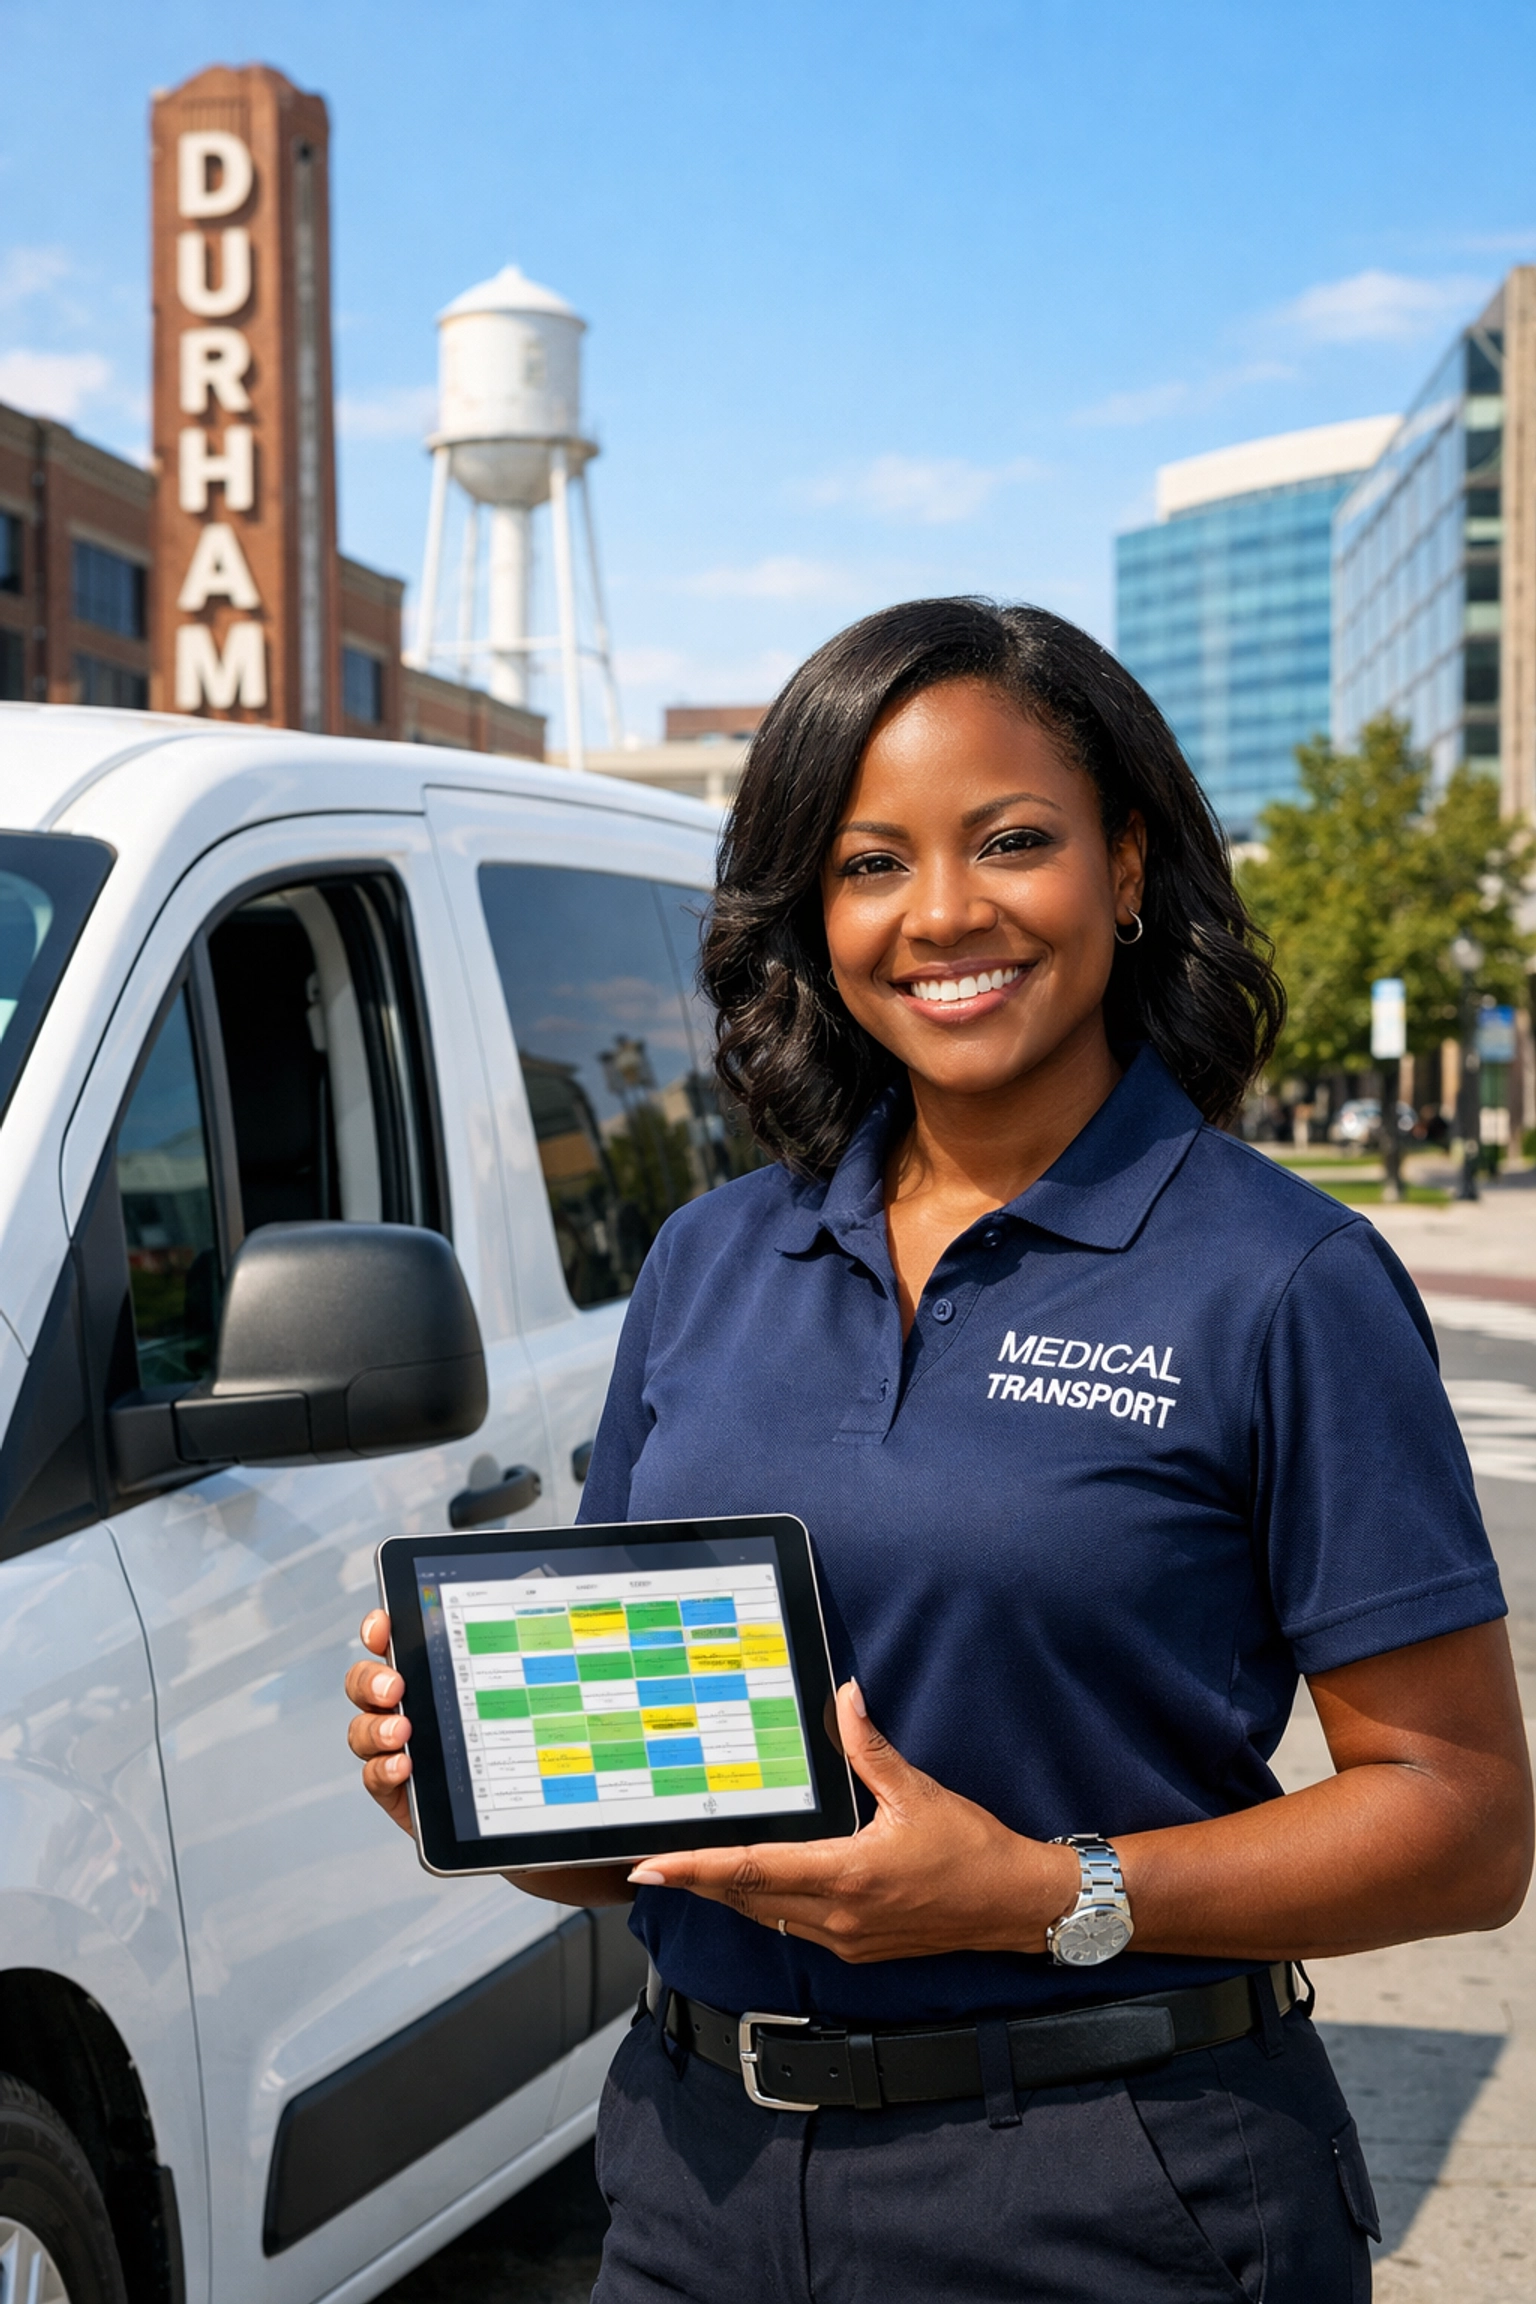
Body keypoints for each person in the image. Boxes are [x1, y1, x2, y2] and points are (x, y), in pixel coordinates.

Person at [348, 599, 1533, 2303]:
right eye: (870, 862)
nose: (944, 912)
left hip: (1114, 2194)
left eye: (1014, 840)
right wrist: (470, 1777)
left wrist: (1038, 1893)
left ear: (1128, 869)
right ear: (812, 915)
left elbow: (1466, 1824)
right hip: (696, 2183)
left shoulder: (1284, 1279)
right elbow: (623, 1848)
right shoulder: (711, 1260)